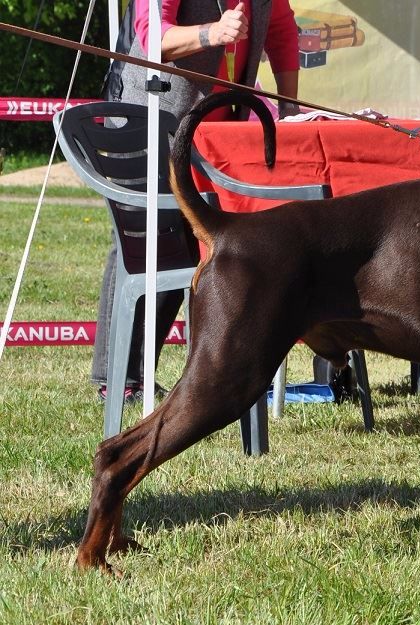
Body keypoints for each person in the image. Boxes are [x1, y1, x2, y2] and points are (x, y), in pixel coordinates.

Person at [91, 0, 300, 402]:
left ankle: (184, 375)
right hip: (148, 119)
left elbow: (281, 32)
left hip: (214, 135)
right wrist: (212, 33)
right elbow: (153, 35)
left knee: (194, 247)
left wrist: (289, 110)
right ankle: (116, 379)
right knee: (143, 242)